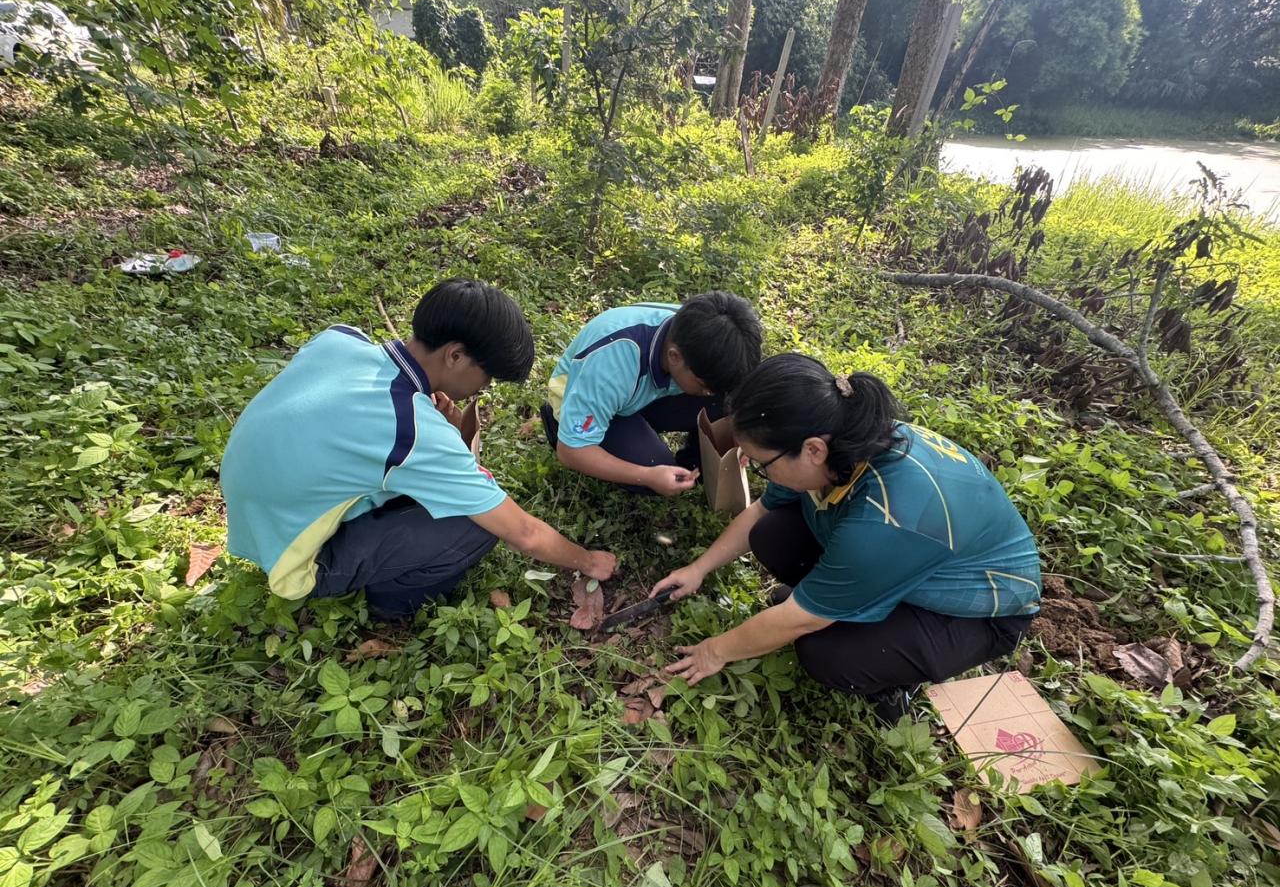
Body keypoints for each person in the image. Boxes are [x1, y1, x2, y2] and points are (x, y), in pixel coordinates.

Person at [652, 353, 1041, 722]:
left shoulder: (887, 520)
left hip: (977, 616)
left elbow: (794, 621)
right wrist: (698, 568)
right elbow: (761, 511)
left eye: (761, 463)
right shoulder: (841, 437)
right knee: (771, 534)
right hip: (906, 560)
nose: (755, 469)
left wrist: (714, 651)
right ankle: (840, 602)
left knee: (825, 653)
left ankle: (892, 682)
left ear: (813, 450)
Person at [221, 278, 615, 621]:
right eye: (487, 375)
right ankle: (392, 604)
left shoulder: (340, 339)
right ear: (456, 355)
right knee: (472, 525)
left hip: (254, 520)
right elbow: (524, 533)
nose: (485, 387)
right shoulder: (409, 430)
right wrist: (588, 561)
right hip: (292, 560)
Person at [541, 292, 762, 496]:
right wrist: (646, 476)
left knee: (724, 401)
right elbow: (571, 451)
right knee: (651, 468)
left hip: (638, 395)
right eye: (704, 385)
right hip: (595, 401)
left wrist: (742, 433)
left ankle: (694, 466)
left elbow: (735, 391)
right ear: (674, 357)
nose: (708, 393)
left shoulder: (702, 335)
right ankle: (561, 423)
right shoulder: (611, 366)